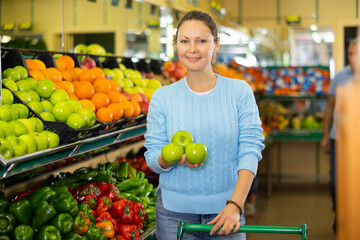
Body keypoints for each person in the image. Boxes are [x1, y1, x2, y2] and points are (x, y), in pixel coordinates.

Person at [144, 10, 264, 240]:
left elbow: (250, 149)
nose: (192, 49)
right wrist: (167, 158)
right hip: (173, 214)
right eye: (184, 41)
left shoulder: (239, 92)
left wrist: (235, 205)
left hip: (226, 212)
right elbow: (153, 158)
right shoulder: (163, 97)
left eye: (201, 41)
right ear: (176, 44)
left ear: (216, 44)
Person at [321, 37, 360, 232]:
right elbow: (329, 108)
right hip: (338, 138)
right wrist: (325, 136)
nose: (353, 57)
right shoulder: (340, 76)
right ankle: (340, 211)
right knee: (336, 181)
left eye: (356, 53)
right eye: (350, 53)